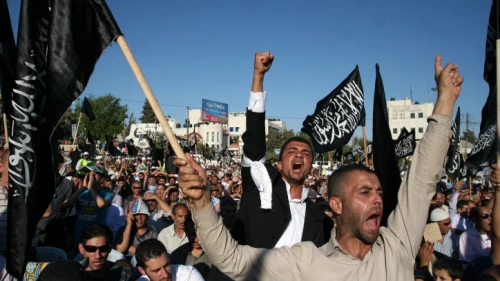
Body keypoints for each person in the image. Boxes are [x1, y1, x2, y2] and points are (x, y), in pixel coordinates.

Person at [175, 53, 463, 280]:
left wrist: (445, 102)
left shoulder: (393, 246)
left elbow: (422, 179)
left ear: (312, 166)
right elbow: (232, 259)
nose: (378, 198)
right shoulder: (306, 259)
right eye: (364, 192)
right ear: (337, 204)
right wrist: (200, 201)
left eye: (378, 191)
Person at [238, 51, 332, 248]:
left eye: (306, 153)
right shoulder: (260, 187)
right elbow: (254, 142)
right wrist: (258, 76)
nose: (299, 154)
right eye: (292, 151)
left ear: (310, 167)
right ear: (279, 165)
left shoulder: (321, 221)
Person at [135, 239, 204, 281]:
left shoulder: (188, 275)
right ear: (142, 270)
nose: (165, 275)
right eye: (156, 270)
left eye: (167, 265)